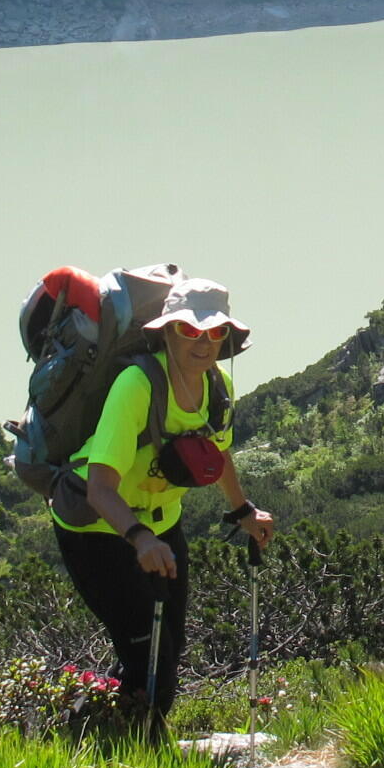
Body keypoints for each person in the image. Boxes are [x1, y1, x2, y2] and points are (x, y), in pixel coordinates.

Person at [51, 276, 274, 738]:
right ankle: (118, 743)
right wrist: (139, 539)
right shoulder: (137, 385)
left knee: (166, 650)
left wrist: (243, 512)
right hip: (97, 528)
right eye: (190, 331)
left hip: (161, 524)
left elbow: (218, 453)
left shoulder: (219, 387)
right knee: (147, 653)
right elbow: (100, 488)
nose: (204, 342)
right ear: (168, 331)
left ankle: (105, 736)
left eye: (215, 332)